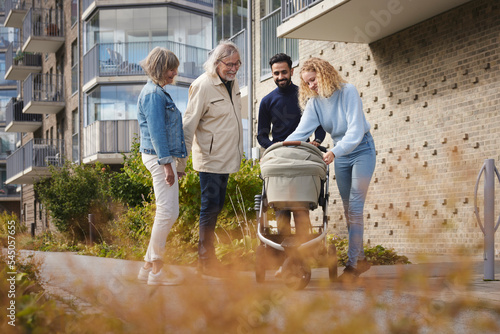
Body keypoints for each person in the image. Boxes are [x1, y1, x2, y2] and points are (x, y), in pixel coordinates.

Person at [286, 57, 376, 280]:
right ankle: (361, 259)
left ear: (324, 74)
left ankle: (353, 266)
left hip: (362, 149)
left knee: (355, 207)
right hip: (341, 155)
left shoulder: (348, 92)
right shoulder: (315, 103)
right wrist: (281, 148)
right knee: (348, 209)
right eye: (307, 83)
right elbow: (301, 131)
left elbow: (355, 131)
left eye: (313, 80)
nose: (311, 86)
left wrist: (336, 151)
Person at [179, 40, 244, 278]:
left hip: (227, 158)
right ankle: (205, 260)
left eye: (238, 64)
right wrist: (180, 163)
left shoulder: (233, 83)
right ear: (217, 63)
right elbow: (188, 125)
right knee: (209, 208)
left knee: (216, 208)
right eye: (230, 64)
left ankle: (206, 258)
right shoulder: (203, 85)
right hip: (210, 159)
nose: (234, 68)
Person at [257, 53, 326, 241]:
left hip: (303, 157)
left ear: (292, 71)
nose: (280, 77)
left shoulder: (305, 96)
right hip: (279, 159)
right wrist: (274, 149)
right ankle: (287, 262)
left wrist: (317, 141)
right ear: (272, 74)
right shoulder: (266, 101)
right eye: (276, 73)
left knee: (301, 211)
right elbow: (262, 135)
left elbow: (319, 126)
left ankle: (303, 263)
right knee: (281, 213)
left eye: (284, 72)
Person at [136, 47, 187, 286]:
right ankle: (157, 271)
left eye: (174, 68)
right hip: (159, 158)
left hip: (161, 158)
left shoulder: (158, 92)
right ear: (158, 68)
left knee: (167, 211)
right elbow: (157, 133)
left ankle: (147, 268)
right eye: (170, 68)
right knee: (168, 212)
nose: (174, 72)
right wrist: (168, 164)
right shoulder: (154, 95)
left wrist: (176, 163)